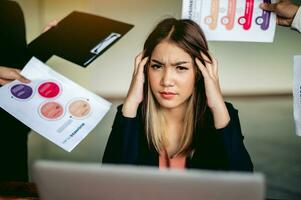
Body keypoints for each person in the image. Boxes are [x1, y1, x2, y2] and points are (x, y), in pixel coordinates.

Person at [102, 18, 253, 171]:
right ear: (144, 69)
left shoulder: (220, 114)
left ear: (199, 72)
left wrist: (217, 106)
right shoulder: (131, 115)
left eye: (180, 68)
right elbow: (110, 183)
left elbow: (243, 184)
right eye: (157, 66)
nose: (166, 81)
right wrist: (131, 104)